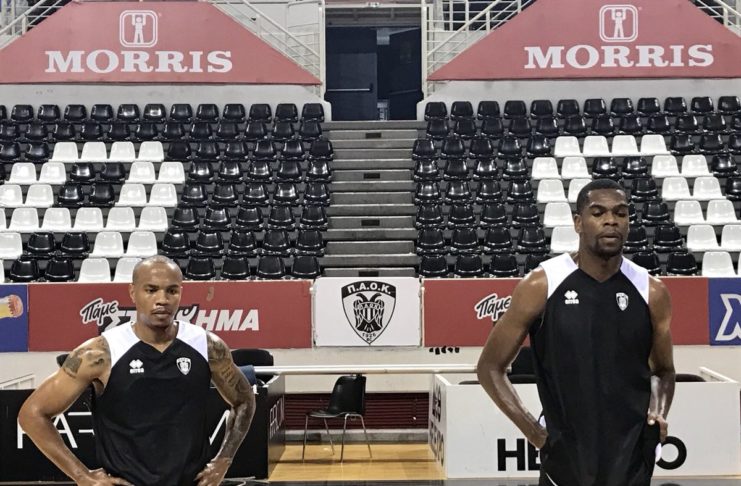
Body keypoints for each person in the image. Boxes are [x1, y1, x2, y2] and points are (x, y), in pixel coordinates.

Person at [477, 178, 675, 486]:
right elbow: (489, 367)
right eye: (598, 213)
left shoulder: (652, 291)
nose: (611, 220)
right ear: (578, 223)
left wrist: (658, 412)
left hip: (632, 462)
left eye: (620, 213)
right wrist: (534, 432)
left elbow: (663, 371)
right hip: (566, 462)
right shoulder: (541, 285)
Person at [19, 255, 256, 486]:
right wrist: (82, 476)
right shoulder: (100, 353)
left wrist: (224, 460)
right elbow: (32, 414)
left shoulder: (207, 345)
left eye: (172, 291)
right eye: (151, 290)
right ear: (133, 292)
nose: (162, 299)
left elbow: (244, 400)